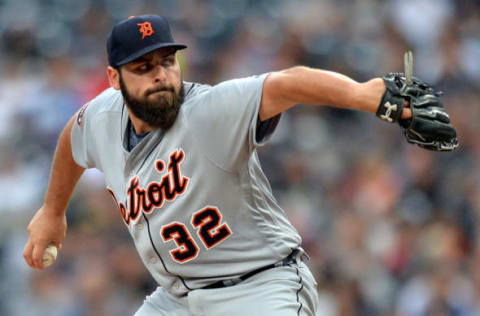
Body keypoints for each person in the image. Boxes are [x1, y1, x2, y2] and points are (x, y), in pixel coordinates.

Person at [23, 14, 415, 316]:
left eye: (167, 61)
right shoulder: (101, 118)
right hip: (178, 299)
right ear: (114, 78)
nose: (160, 75)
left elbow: (287, 83)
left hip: (260, 286)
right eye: (143, 68)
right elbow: (71, 140)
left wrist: (363, 94)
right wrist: (52, 211)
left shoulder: (207, 111)